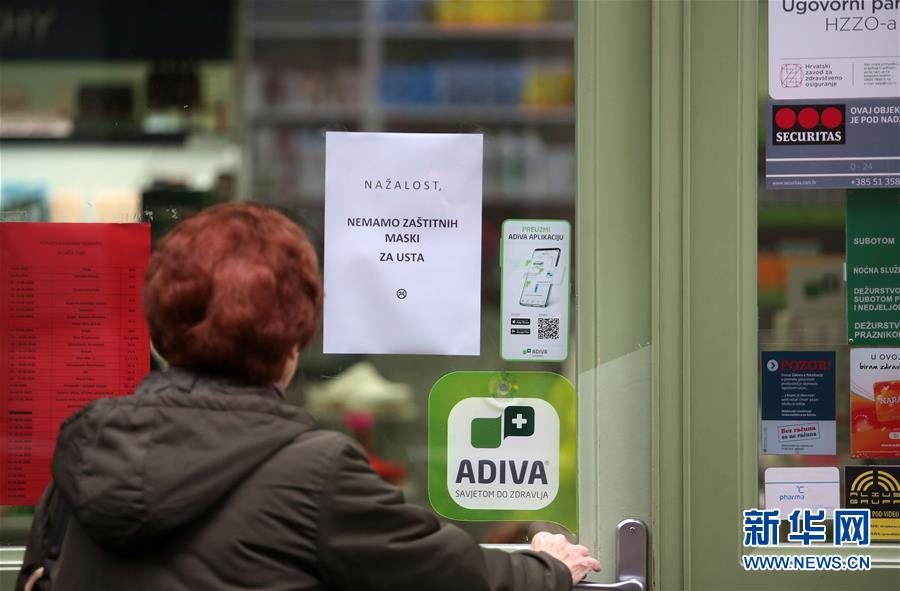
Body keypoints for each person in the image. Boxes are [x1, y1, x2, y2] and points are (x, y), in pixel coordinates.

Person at [16, 202, 600, 591]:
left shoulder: (87, 444)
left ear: (161, 330)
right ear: (294, 338)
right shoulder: (315, 471)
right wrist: (549, 568)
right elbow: (451, 577)